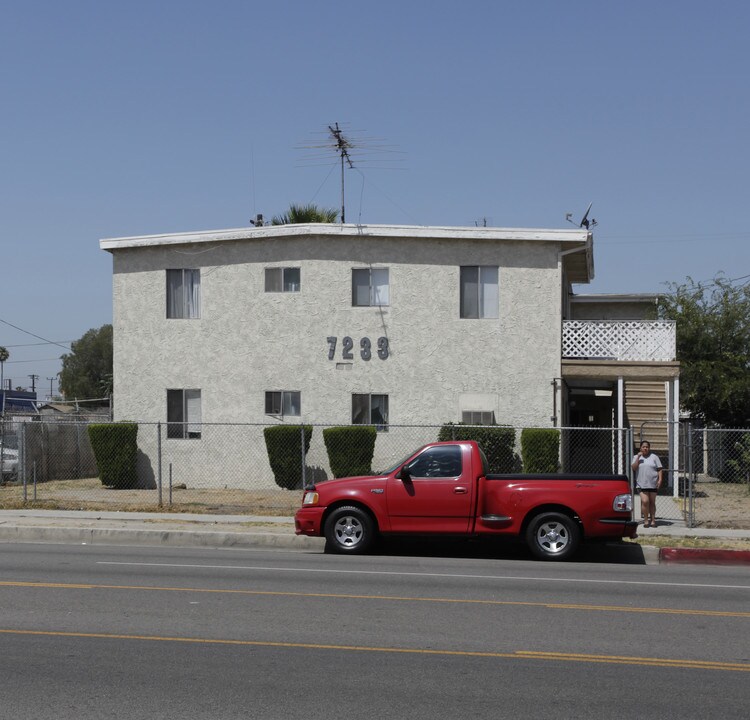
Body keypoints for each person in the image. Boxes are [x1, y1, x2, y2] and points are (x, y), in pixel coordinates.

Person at [632, 440, 663, 528]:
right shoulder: (636, 457)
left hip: (653, 483)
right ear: (640, 448)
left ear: (649, 448)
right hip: (641, 484)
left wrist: (660, 480)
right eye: (643, 447)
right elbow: (634, 468)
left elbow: (659, 469)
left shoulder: (654, 457)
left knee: (652, 502)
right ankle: (646, 520)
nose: (645, 448)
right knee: (645, 501)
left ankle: (653, 520)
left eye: (647, 447)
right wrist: (638, 457)